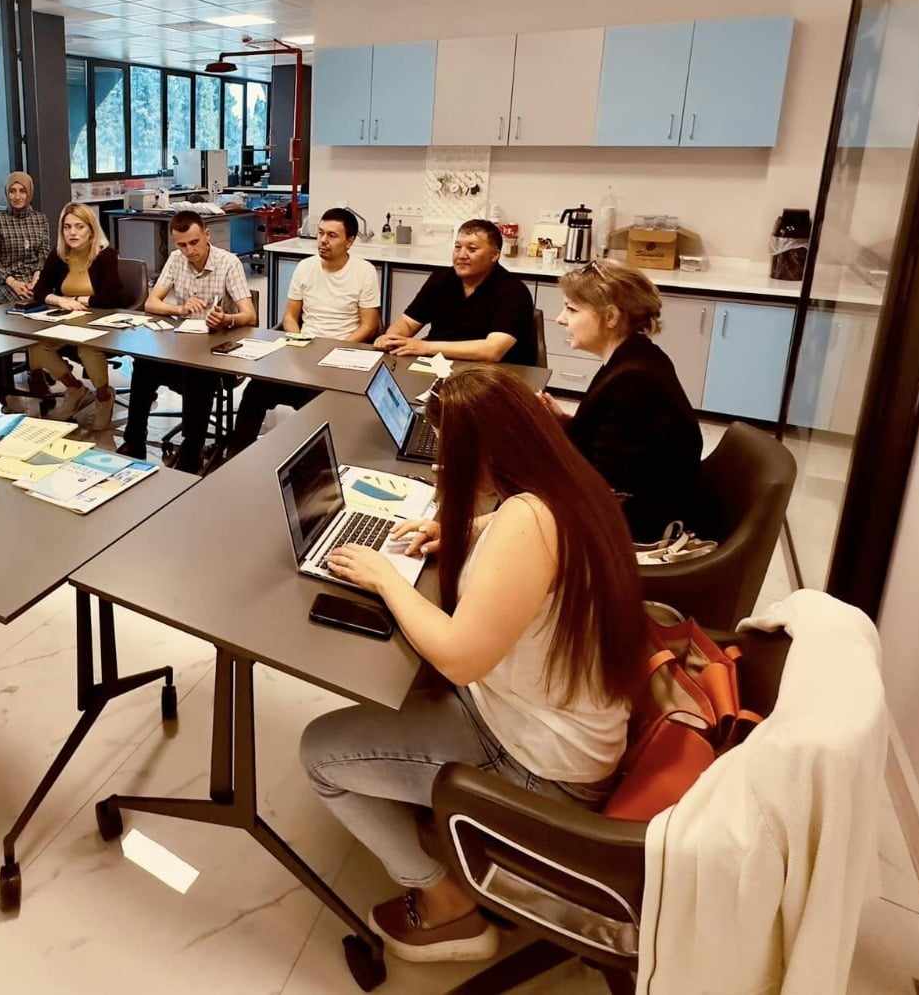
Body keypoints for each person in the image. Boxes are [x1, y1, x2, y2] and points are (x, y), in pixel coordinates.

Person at [299, 367, 646, 965]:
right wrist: (458, 526)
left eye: (447, 452)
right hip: (574, 736)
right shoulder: (571, 488)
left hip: (541, 766)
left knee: (319, 754)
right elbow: (519, 530)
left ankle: (445, 905)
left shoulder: (529, 524)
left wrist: (385, 577)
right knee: (404, 683)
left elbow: (460, 658)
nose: (441, 464)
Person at [540, 260, 703, 541]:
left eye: (571, 309)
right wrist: (565, 422)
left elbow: (606, 485)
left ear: (610, 316)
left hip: (635, 527)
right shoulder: (636, 356)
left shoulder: (634, 379)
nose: (560, 319)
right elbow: (615, 444)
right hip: (631, 506)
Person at [226, 207, 380, 456]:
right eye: (320, 233)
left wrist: (335, 349)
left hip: (341, 359)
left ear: (350, 241)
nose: (323, 241)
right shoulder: (305, 267)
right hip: (305, 354)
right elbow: (290, 316)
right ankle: (235, 458)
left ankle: (319, 462)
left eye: (332, 235)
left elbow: (369, 325)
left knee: (321, 404)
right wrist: (297, 338)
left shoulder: (364, 272)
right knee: (256, 389)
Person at [117, 210, 257, 472]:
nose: (189, 250)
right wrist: (179, 309)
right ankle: (134, 442)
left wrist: (226, 319)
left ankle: (191, 455)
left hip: (215, 350)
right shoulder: (176, 259)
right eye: (182, 245)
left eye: (194, 242)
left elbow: (249, 315)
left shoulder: (229, 263)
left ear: (207, 235)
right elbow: (151, 303)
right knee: (144, 364)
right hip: (183, 345)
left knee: (197, 375)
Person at [26, 203, 132, 430]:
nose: (72, 233)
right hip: (68, 321)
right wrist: (60, 300)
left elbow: (112, 297)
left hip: (101, 324)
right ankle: (75, 389)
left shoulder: (105, 255)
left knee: (87, 349)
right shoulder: (59, 256)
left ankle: (104, 396)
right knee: (37, 345)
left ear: (91, 230)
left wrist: (81, 299)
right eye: (67, 227)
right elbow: (39, 291)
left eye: (79, 227)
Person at [374, 220, 537, 366]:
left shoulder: (513, 291)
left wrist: (425, 347)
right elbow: (408, 322)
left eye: (472, 249)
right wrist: (392, 337)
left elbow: (492, 350)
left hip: (494, 373)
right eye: (458, 247)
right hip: (439, 365)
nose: (461, 255)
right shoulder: (441, 279)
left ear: (494, 255)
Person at [0, 171, 50, 305]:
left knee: (52, 301)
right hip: (7, 281)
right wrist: (13, 282)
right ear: (7, 193)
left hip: (35, 278)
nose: (17, 196)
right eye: (12, 191)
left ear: (29, 192)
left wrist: (36, 278)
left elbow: (44, 254)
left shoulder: (41, 219)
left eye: (22, 191)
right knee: (27, 304)